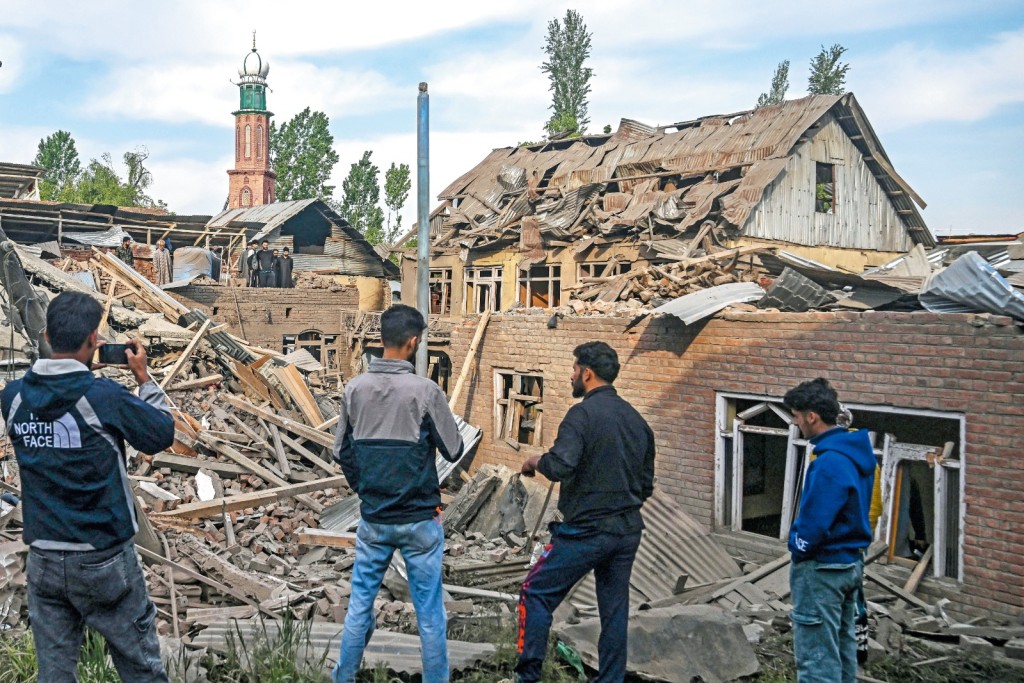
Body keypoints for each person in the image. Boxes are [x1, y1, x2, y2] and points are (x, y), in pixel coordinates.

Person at [0, 291, 175, 682]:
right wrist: (143, 378)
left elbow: (49, 392)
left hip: (43, 556)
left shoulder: (12, 399)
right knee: (139, 667)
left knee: (56, 674)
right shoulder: (102, 397)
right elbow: (161, 433)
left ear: (45, 335)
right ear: (94, 340)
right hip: (104, 557)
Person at [331, 304, 464, 683]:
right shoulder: (425, 391)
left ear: (381, 339)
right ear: (414, 342)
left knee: (359, 607)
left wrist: (365, 487)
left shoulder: (354, 389)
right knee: (429, 613)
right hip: (420, 520)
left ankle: (344, 678)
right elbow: (454, 448)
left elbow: (341, 451)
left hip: (374, 519)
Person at [516, 341, 655, 683]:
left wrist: (535, 461)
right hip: (625, 532)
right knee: (614, 611)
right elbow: (646, 486)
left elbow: (561, 464)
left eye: (574, 369)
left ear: (587, 373)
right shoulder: (637, 420)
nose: (571, 375)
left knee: (534, 593)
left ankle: (527, 676)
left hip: (585, 532)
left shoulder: (581, 414)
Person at [783, 378, 875, 683]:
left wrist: (797, 546)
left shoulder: (829, 462)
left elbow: (815, 523)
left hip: (823, 569)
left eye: (796, 415)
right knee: (843, 646)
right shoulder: (854, 452)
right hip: (850, 562)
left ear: (812, 416)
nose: (795, 423)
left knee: (817, 658)